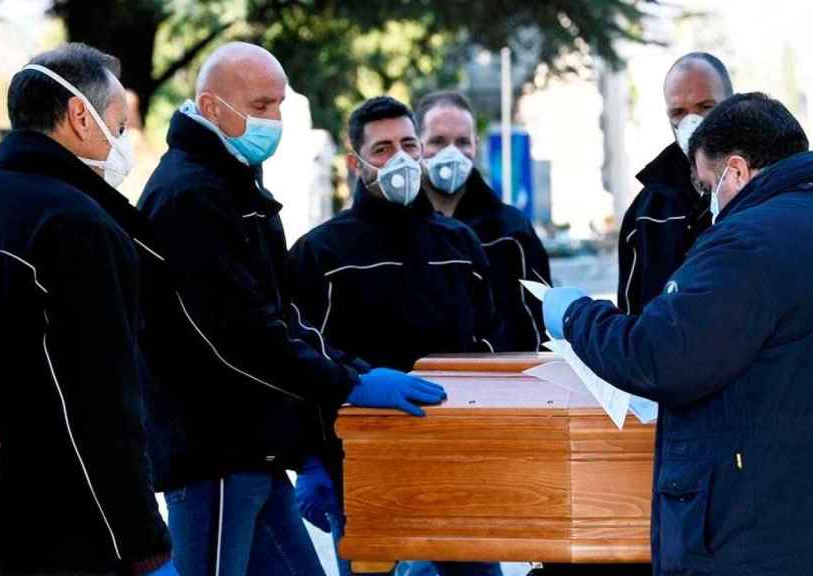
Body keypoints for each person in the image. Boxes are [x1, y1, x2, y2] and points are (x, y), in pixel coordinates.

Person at [542, 93, 813, 575]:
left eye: (707, 184)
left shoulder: (748, 241)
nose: (709, 202)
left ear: (735, 171)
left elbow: (657, 355)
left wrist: (575, 316)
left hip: (776, 540)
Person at [138, 43, 443, 576]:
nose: (273, 121)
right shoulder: (193, 195)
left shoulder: (236, 186)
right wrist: (345, 386)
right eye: (260, 107)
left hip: (253, 448)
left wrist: (353, 373)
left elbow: (281, 314)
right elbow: (237, 335)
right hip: (213, 454)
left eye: (278, 105)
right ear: (211, 107)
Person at [286, 96, 503, 576]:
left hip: (458, 467)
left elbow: (491, 344)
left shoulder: (459, 244)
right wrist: (311, 460)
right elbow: (302, 356)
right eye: (382, 149)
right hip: (362, 470)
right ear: (354, 162)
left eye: (408, 144)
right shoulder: (320, 253)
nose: (400, 158)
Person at [0, 43, 175, 575]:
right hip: (71, 522)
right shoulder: (79, 223)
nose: (124, 141)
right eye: (119, 124)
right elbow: (101, 399)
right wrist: (142, 541)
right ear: (78, 116)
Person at [416, 90, 551, 351]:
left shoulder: (512, 230)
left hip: (500, 381)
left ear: (475, 146)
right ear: (416, 146)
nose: (452, 153)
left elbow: (540, 319)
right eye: (438, 142)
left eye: (462, 142)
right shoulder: (399, 228)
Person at [617, 52, 733, 316]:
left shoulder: (760, 194)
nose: (692, 123)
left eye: (706, 107)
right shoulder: (647, 212)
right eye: (679, 112)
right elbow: (630, 321)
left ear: (732, 105)